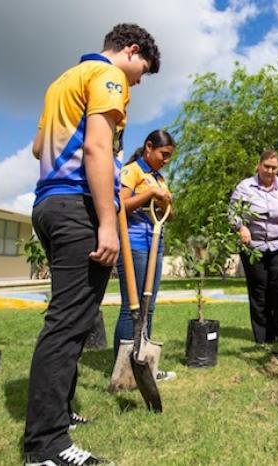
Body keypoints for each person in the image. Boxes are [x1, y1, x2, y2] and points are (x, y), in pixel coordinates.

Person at [25, 23, 160, 466]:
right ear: (131, 51)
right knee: (67, 325)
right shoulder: (109, 76)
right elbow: (98, 151)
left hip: (47, 206)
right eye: (140, 73)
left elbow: (36, 147)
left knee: (75, 321)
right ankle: (47, 446)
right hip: (76, 207)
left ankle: (59, 411)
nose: (134, 85)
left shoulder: (63, 80)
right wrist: (106, 220)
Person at [113, 129, 176, 382]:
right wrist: (150, 194)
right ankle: (123, 364)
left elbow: (170, 215)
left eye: (170, 156)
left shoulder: (158, 177)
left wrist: (163, 202)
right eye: (164, 154)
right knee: (132, 308)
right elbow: (120, 204)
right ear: (149, 147)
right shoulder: (132, 171)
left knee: (148, 308)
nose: (166, 160)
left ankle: (144, 363)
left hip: (155, 244)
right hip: (134, 244)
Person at [230, 150, 278, 350]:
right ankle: (264, 337)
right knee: (259, 291)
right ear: (258, 166)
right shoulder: (245, 187)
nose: (270, 171)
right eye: (266, 166)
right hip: (254, 247)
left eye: (274, 167)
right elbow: (233, 212)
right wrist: (241, 227)